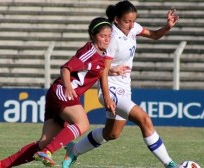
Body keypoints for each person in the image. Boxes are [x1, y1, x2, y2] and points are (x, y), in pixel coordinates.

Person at [62, 1, 179, 168]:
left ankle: (73, 150)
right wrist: (108, 98)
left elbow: (154, 35)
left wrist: (167, 26)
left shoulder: (133, 28)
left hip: (125, 88)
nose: (131, 25)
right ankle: (171, 164)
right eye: (127, 21)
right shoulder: (113, 39)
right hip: (110, 89)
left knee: (112, 133)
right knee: (144, 119)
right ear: (116, 20)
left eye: (133, 20)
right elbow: (103, 71)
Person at [0, 17, 112, 168]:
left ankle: (2, 165)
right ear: (94, 35)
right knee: (82, 123)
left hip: (56, 94)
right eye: (103, 36)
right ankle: (48, 152)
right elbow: (66, 68)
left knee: (44, 142)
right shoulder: (90, 51)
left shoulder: (100, 55)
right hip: (63, 92)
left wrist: (113, 70)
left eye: (109, 36)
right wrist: (68, 87)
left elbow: (93, 69)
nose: (107, 39)